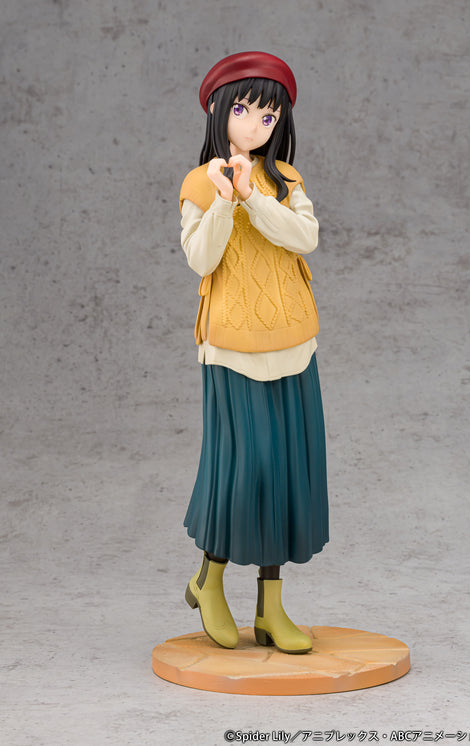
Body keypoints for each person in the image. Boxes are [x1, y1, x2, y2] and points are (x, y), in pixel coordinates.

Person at [179, 51, 328, 654]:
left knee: (287, 475)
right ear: (217, 111)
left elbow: (305, 238)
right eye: (242, 110)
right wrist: (224, 199)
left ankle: (270, 605)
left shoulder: (286, 180)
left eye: (269, 117)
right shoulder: (199, 184)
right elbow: (201, 258)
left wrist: (254, 196)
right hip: (232, 351)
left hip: (294, 345)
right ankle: (209, 579)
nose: (255, 125)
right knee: (242, 470)